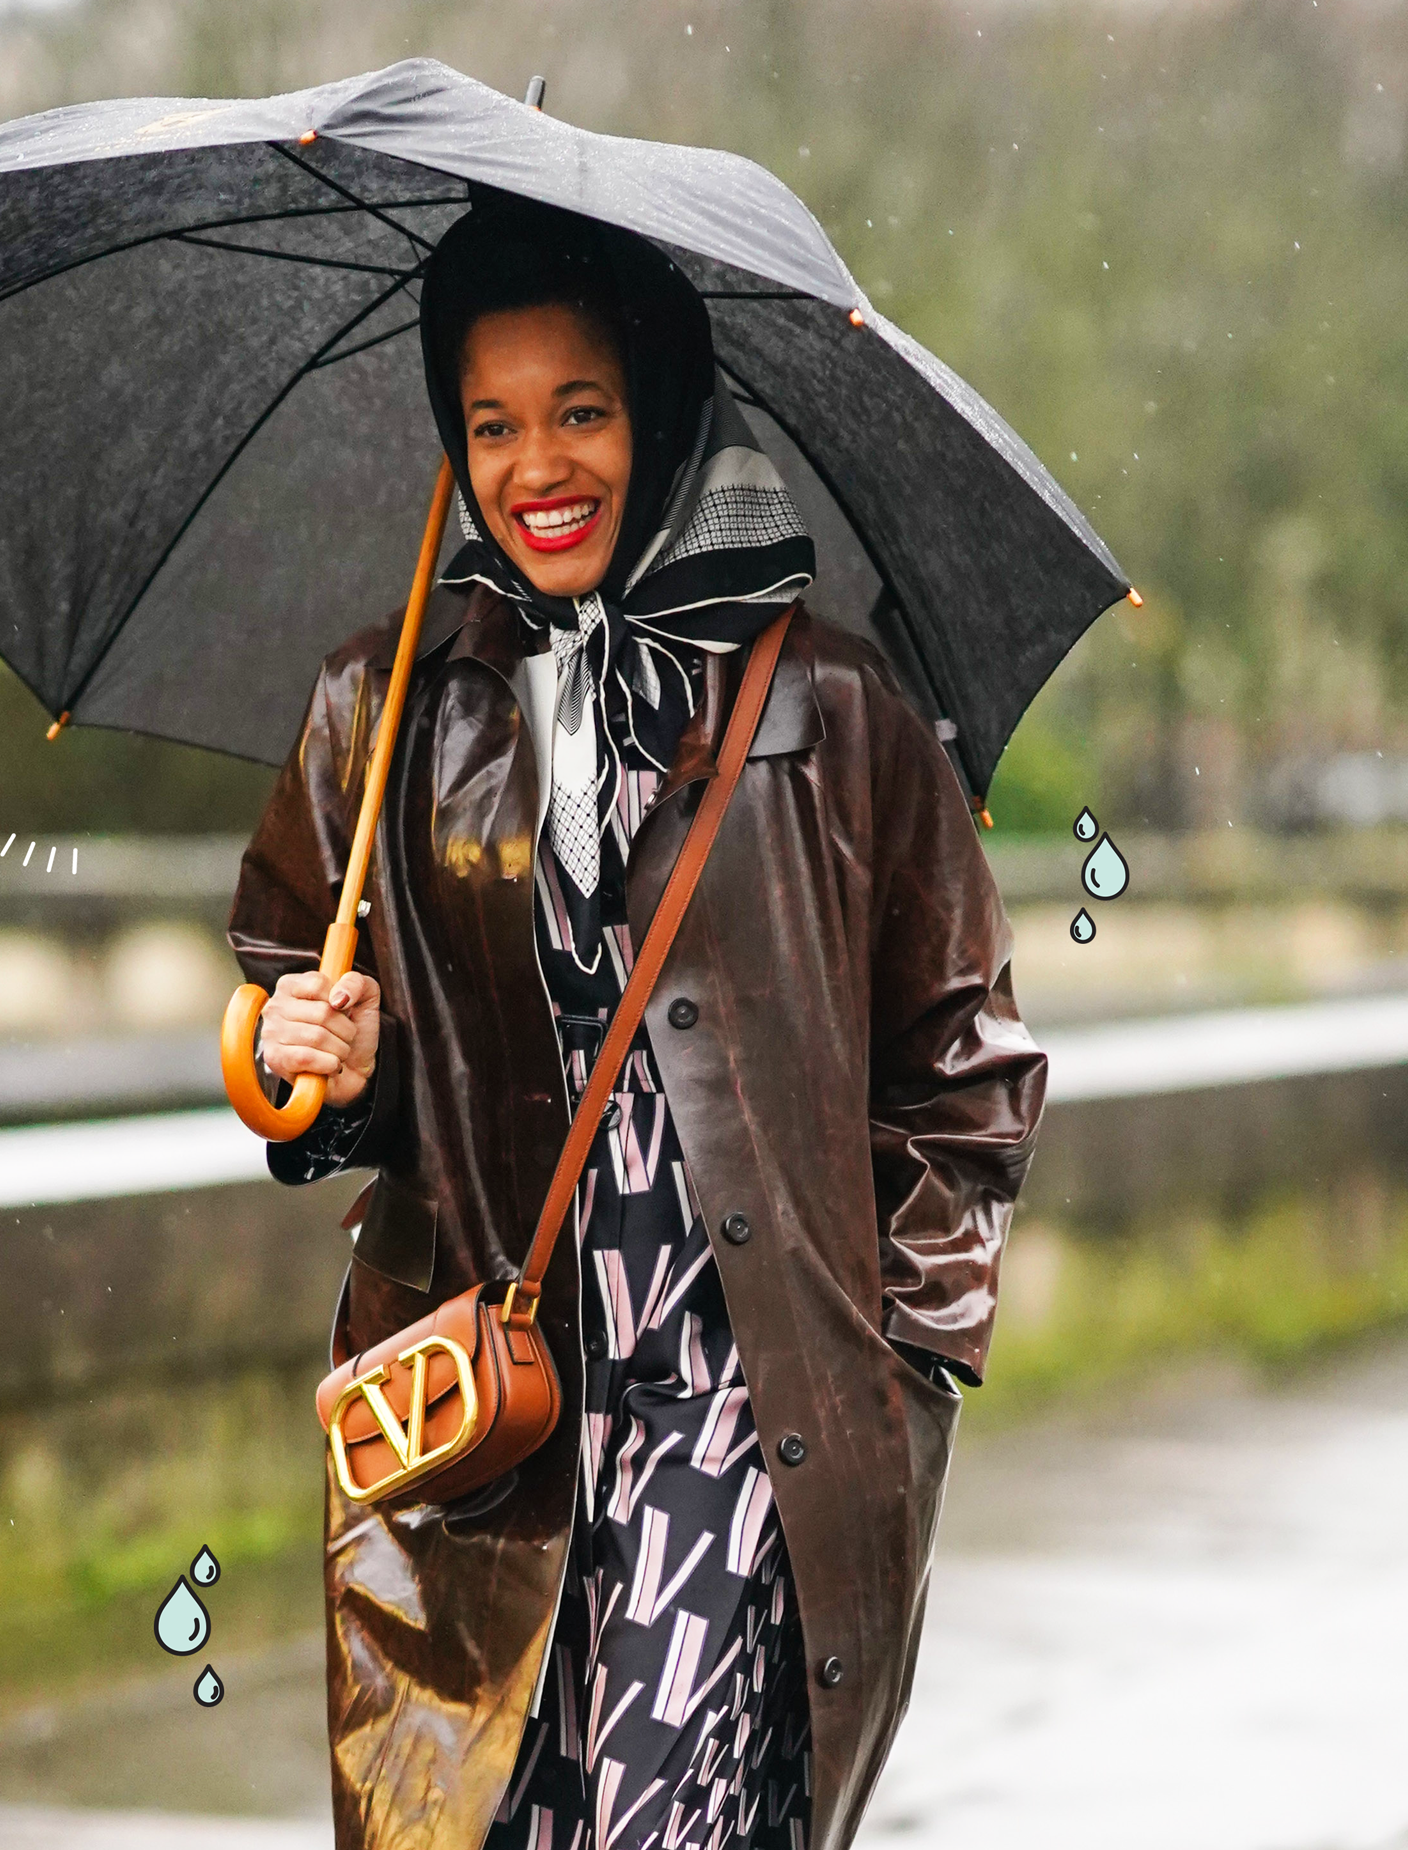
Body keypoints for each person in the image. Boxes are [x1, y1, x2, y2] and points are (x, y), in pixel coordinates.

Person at [228, 198, 1046, 1850]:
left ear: (660, 412)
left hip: (751, 1423)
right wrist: (303, 1062)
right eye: (493, 421)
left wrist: (904, 1366)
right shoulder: (380, 710)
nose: (538, 465)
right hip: (484, 1437)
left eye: (580, 410)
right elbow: (283, 1015)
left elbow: (967, 1067)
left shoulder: (840, 710)